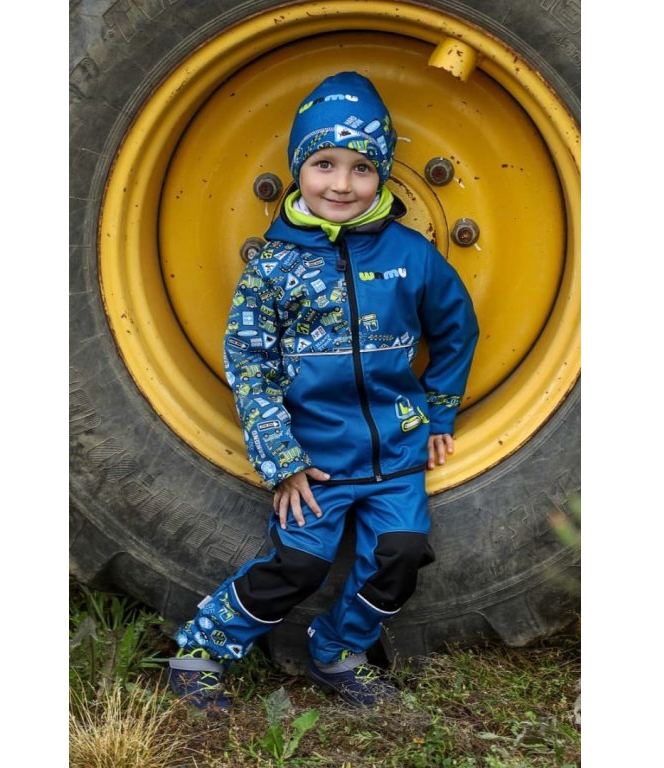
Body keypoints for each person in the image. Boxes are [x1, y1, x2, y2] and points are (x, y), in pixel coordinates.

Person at [168, 71, 479, 712]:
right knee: (299, 567)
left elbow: (457, 328)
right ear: (299, 169)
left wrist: (440, 410)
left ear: (383, 173)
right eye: (324, 164)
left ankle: (338, 647)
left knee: (401, 557)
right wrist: (281, 460)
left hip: (396, 456)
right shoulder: (273, 268)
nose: (341, 184)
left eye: (362, 167)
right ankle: (201, 648)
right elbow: (249, 365)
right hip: (315, 461)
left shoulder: (412, 255)